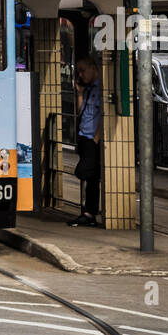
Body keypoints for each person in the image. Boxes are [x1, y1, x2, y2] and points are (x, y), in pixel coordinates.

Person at [71, 54, 102, 227]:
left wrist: (96, 138)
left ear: (93, 68)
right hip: (84, 136)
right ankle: (89, 213)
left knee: (83, 172)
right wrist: (80, 94)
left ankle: (90, 212)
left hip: (91, 139)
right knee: (91, 179)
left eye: (82, 71)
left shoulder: (100, 89)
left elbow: (105, 116)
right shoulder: (88, 89)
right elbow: (81, 112)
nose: (80, 75)